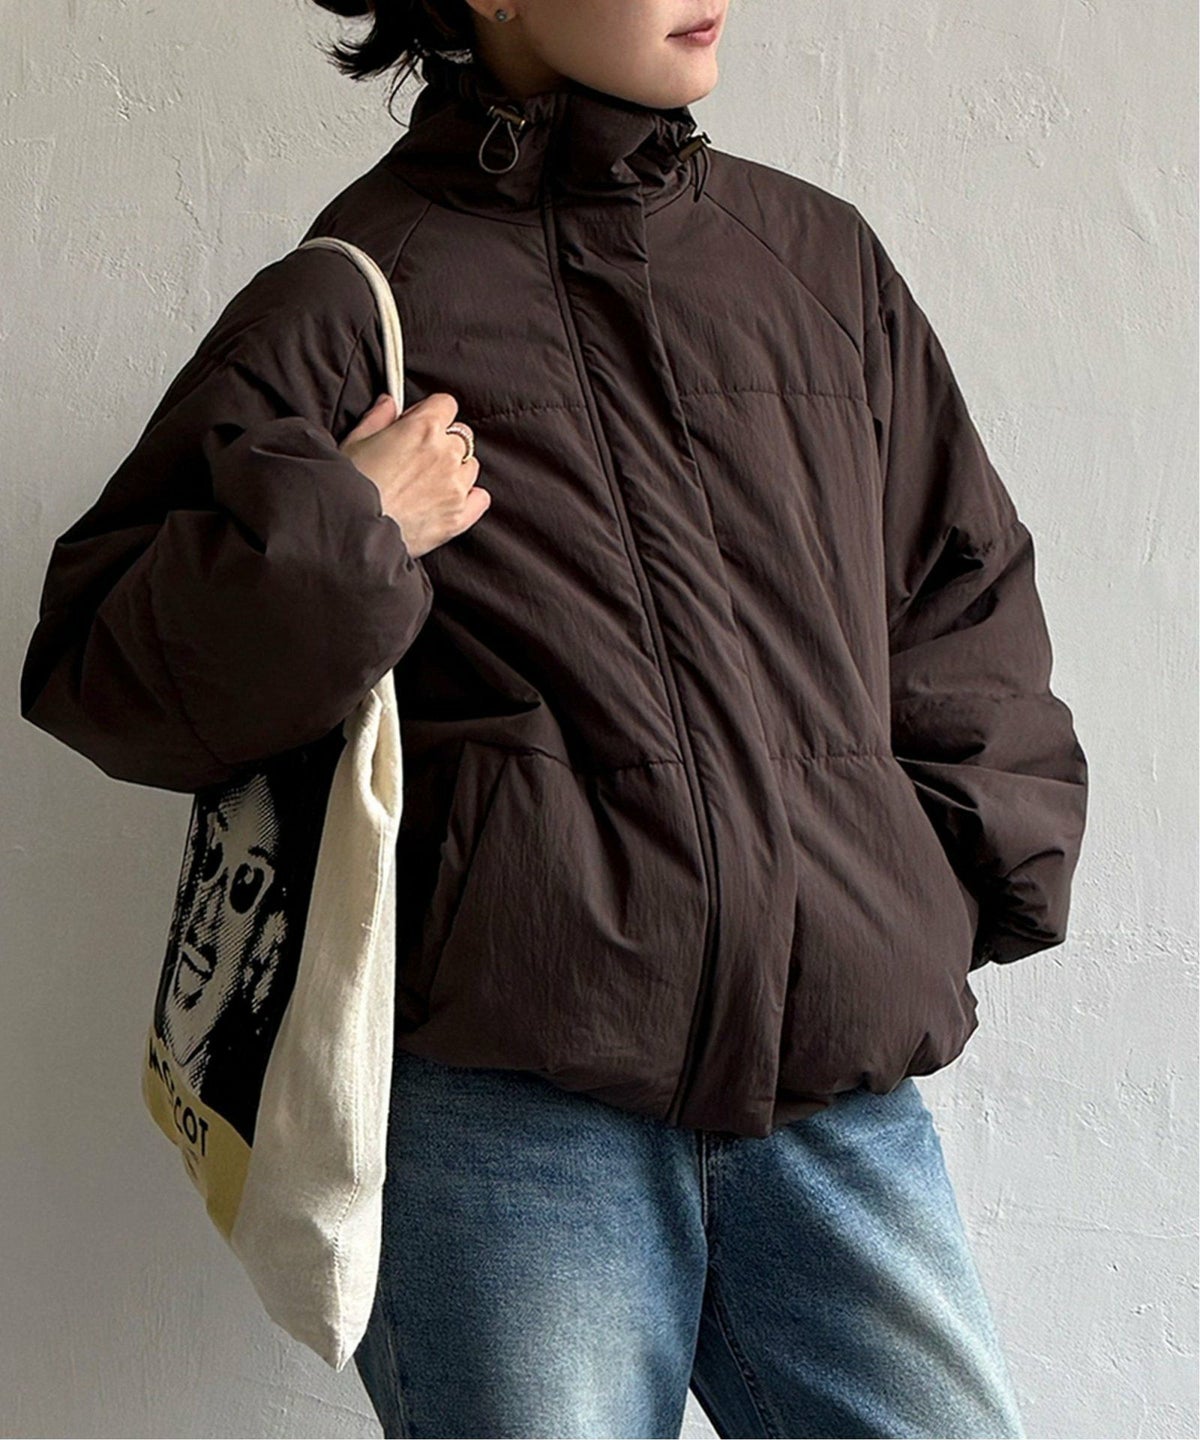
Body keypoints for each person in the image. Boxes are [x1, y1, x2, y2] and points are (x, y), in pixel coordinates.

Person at [19, 0, 1089, 1435]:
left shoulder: (816, 260)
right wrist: (349, 532)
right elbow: (97, 668)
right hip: (513, 1123)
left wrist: (933, 889)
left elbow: (963, 592)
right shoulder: (357, 298)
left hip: (834, 1098)